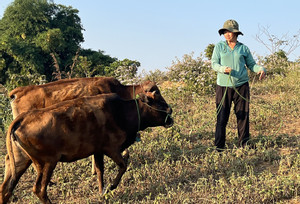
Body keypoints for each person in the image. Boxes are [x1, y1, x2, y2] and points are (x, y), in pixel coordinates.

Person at [211, 19, 266, 151]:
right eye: (225, 32)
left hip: (241, 86)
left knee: (243, 116)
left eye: (229, 32)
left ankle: (244, 145)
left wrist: (260, 69)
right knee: (222, 116)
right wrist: (223, 69)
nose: (227, 34)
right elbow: (214, 64)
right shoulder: (219, 47)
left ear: (236, 33)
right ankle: (219, 147)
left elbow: (251, 64)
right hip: (223, 87)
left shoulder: (243, 48)